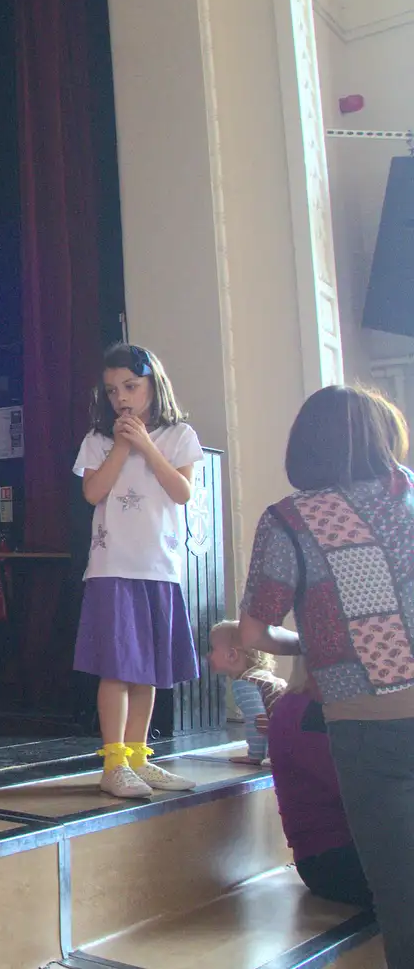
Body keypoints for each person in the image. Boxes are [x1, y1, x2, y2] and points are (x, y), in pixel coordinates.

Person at [239, 385, 414, 962]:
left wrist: (309, 642)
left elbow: (253, 634)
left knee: (404, 900)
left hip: (370, 727)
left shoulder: (291, 520)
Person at [73, 343, 203, 798]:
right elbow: (93, 493)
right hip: (112, 565)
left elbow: (182, 492)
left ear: (153, 384)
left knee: (147, 668)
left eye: (131, 386)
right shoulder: (98, 440)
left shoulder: (178, 435)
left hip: (160, 566)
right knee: (117, 665)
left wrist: (145, 445)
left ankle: (137, 757)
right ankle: (112, 764)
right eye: (112, 391)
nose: (122, 398)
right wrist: (122, 447)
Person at [266, 660, 374, 909]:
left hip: (360, 849)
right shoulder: (309, 711)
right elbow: (360, 793)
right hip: (331, 858)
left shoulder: (329, 705)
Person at [208, 621, 287, 765]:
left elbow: (256, 722)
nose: (208, 655)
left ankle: (275, 756)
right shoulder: (263, 677)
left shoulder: (245, 682)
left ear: (232, 655)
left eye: (212, 649)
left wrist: (254, 756)